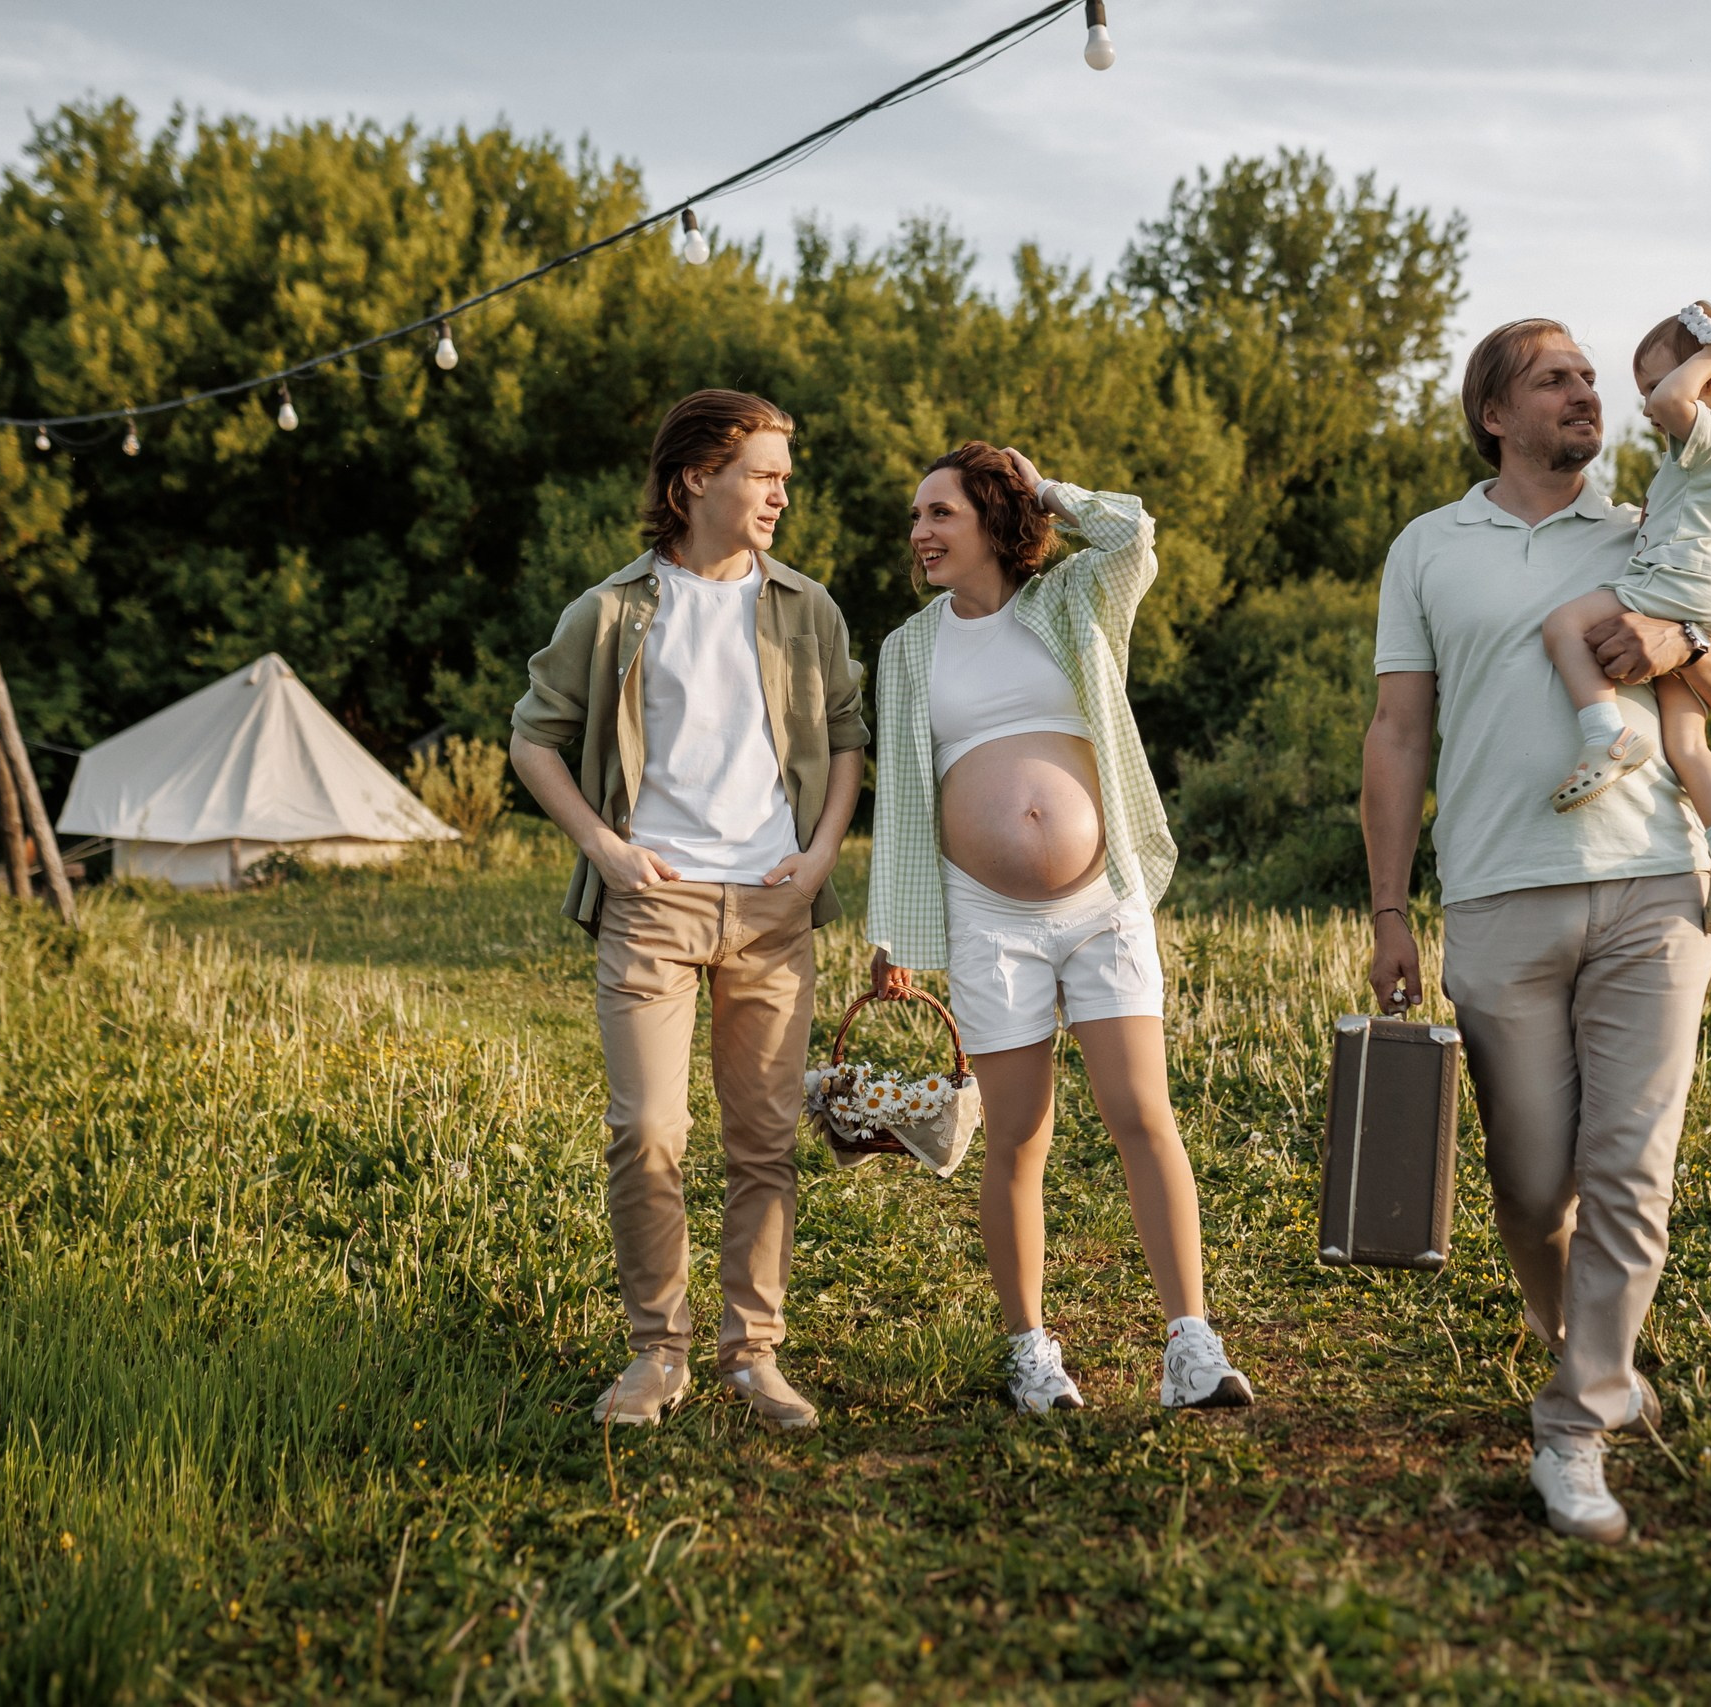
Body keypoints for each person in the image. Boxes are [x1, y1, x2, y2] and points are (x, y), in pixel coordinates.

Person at [1361, 321, 1711, 1542]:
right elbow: (1397, 735)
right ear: (1494, 413)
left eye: (1590, 378)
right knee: (1530, 1179)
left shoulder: (1649, 532)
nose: (1584, 393)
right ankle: (1586, 1350)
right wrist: (1389, 909)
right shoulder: (1428, 548)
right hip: (1496, 893)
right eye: (1555, 380)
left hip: (1657, 886)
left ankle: (1574, 1423)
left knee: (1629, 1170)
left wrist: (1686, 645)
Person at [509, 389, 868, 1433]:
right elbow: (534, 737)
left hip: (771, 908)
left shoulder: (808, 607)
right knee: (647, 1134)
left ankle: (752, 1355)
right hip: (653, 910)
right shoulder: (611, 611)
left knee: (763, 1143)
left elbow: (845, 738)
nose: (780, 495)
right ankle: (654, 1355)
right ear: (693, 480)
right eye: (763, 475)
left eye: (783, 477)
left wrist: (818, 857)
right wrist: (606, 848)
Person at [868, 442, 1252, 1415]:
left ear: (994, 521)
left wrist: (1043, 489)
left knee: (1140, 1115)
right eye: (916, 517)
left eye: (940, 513)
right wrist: (895, 937)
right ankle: (1030, 1350)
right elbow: (905, 800)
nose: (919, 533)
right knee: (1018, 1135)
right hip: (985, 916)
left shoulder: (1072, 600)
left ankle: (1190, 1344)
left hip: (1099, 905)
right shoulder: (909, 649)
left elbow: (1133, 533)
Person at [1540, 300, 1711, 933]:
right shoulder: (1706, 458)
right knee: (1687, 741)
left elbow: (1677, 403)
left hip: (1678, 587)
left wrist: (1707, 358)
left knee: (1564, 625)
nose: (1648, 406)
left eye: (1654, 385)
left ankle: (1605, 736)